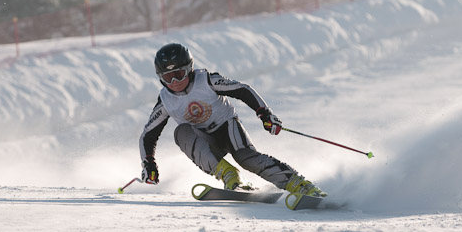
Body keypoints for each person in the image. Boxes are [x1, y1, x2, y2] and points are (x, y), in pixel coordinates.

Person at [139, 42, 326, 197]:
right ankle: (231, 177)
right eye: (168, 77)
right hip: (205, 141)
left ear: (189, 69)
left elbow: (243, 89)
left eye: (179, 74)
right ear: (161, 78)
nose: (175, 82)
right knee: (181, 132)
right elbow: (148, 136)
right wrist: (149, 164)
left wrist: (265, 114)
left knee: (246, 158)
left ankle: (298, 184)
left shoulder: (207, 81)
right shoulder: (165, 101)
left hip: (227, 127)